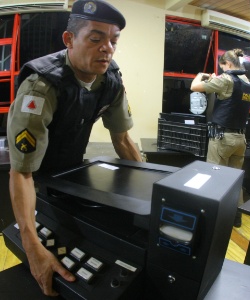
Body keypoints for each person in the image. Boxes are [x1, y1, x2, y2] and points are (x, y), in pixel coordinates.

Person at [7, 0, 142, 296]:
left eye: (113, 41)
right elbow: (22, 172)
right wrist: (33, 249)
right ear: (69, 40)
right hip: (34, 174)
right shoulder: (41, 87)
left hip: (72, 169)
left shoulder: (110, 81)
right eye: (96, 39)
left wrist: (151, 196)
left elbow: (122, 140)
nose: (107, 48)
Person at [190, 48, 250, 228]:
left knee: (214, 178)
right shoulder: (249, 83)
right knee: (235, 180)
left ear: (227, 64)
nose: (223, 71)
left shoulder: (226, 79)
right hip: (240, 140)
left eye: (223, 67)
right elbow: (231, 97)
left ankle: (212, 220)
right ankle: (236, 218)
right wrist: (215, 80)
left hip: (222, 138)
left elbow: (194, 87)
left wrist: (200, 75)